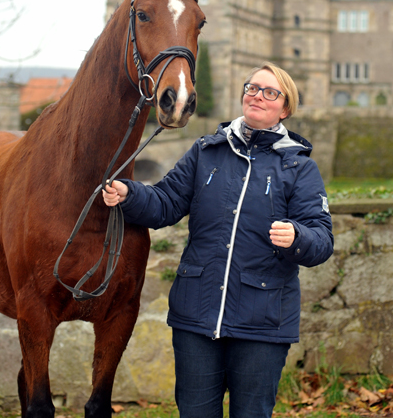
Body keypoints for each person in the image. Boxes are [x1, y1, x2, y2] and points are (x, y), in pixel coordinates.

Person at [103, 61, 333, 418]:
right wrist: (130, 195)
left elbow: (321, 240)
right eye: (252, 87)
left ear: (285, 108)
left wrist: (298, 235)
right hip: (196, 313)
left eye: (270, 92)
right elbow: (165, 204)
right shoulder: (206, 151)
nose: (257, 95)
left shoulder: (299, 167)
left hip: (262, 322)